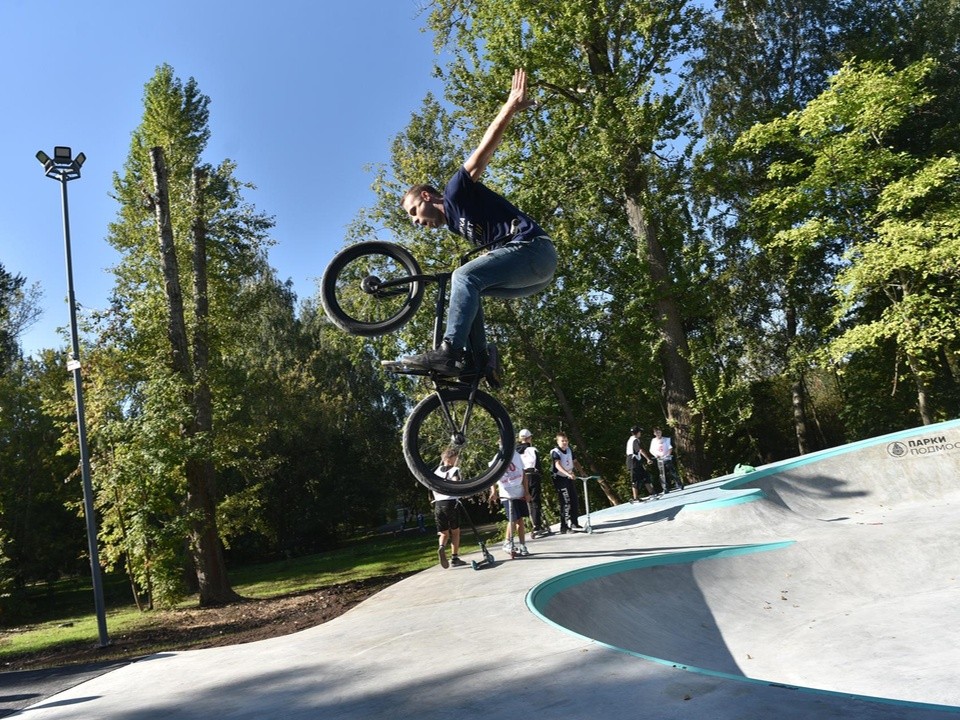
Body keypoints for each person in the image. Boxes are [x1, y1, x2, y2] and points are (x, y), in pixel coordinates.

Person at [396, 68, 558, 376]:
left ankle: (449, 352)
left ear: (428, 197)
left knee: (463, 277)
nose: (416, 222)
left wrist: (509, 106)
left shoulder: (456, 191)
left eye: (414, 211)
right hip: (534, 275)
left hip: (535, 250)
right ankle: (483, 360)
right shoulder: (458, 224)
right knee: (471, 288)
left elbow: (484, 151)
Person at [488, 445, 531, 556]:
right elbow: (491, 475)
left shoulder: (516, 456)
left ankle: (522, 545)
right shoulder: (498, 457)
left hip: (519, 491)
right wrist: (493, 491)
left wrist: (526, 491)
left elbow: (524, 474)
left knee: (520, 520)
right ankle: (507, 541)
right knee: (513, 519)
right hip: (507, 493)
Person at [432, 448, 467, 568]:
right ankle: (454, 557)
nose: (457, 460)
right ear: (449, 459)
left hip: (438, 504)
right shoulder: (455, 470)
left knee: (443, 533)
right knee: (455, 531)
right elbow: (456, 482)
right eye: (455, 458)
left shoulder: (436, 472)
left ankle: (441, 547)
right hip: (451, 503)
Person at [550, 432, 585, 533]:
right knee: (565, 502)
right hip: (560, 478)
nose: (565, 443)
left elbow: (575, 462)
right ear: (558, 442)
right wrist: (568, 474)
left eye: (566, 440)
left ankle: (574, 522)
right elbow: (558, 465)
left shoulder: (569, 450)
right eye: (562, 441)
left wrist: (582, 472)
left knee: (574, 499)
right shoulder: (555, 452)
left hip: (569, 477)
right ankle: (564, 527)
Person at [517, 428, 548, 537]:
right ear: (529, 438)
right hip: (533, 475)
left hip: (521, 476)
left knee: (526, 500)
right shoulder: (532, 449)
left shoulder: (515, 451)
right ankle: (537, 525)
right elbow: (538, 466)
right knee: (535, 500)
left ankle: (531, 523)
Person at [625, 426, 659, 501]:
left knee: (645, 476)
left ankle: (652, 493)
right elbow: (640, 450)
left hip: (637, 461)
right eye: (640, 432)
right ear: (637, 433)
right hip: (633, 462)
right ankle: (635, 498)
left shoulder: (632, 439)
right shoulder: (635, 440)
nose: (641, 433)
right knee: (635, 480)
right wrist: (648, 459)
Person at [650, 426, 683, 493]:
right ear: (654, 433)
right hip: (659, 460)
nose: (658, 434)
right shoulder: (653, 441)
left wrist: (667, 455)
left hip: (667, 458)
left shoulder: (666, 439)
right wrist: (656, 455)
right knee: (662, 474)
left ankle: (679, 484)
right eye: (656, 433)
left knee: (672, 472)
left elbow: (670, 448)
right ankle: (665, 488)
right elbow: (651, 450)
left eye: (659, 432)